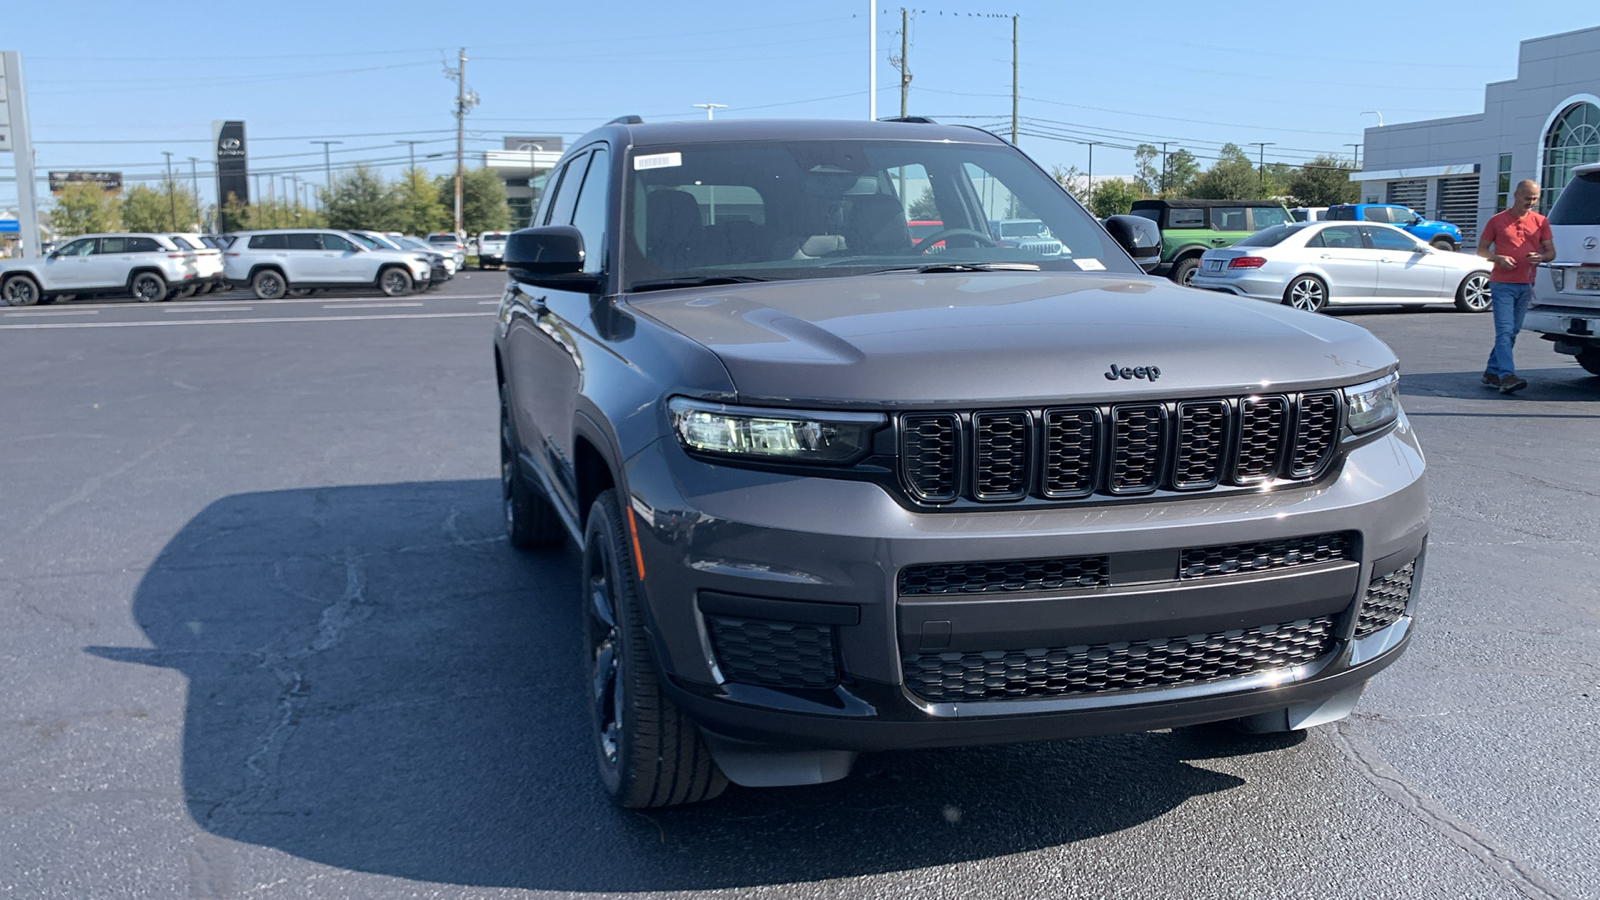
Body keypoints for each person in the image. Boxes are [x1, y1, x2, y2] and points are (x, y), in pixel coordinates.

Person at [1476, 179, 1554, 394]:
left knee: (1513, 331)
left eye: (1535, 199)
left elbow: (1550, 253)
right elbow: (1481, 250)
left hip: (1526, 284)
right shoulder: (1497, 221)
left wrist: (1541, 257)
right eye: (1527, 198)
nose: (1531, 202)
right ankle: (1507, 376)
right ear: (1516, 195)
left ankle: (1491, 371)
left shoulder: (1540, 221)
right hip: (1502, 284)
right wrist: (1497, 258)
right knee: (1504, 330)